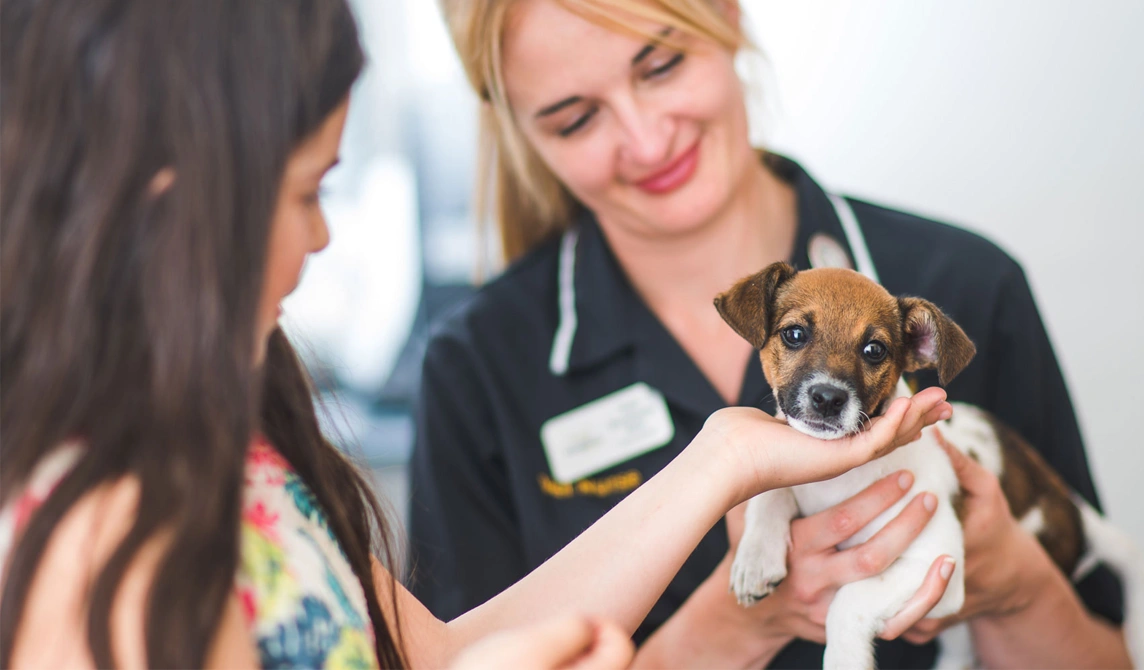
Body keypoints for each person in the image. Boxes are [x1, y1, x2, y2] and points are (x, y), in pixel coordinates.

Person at [0, 1, 953, 668]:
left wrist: (723, 458)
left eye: (659, 63)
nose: (324, 235)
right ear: (176, 204)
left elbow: (440, 656)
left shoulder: (245, 443)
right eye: (308, 192)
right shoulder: (98, 534)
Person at [408, 0, 1131, 667]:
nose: (646, 138)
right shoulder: (474, 368)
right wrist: (741, 621)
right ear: (517, 126)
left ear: (727, 14)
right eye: (574, 119)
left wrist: (1015, 588)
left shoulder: (969, 286)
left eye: (661, 66)